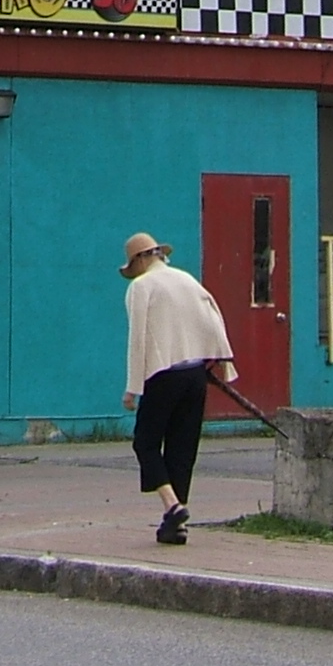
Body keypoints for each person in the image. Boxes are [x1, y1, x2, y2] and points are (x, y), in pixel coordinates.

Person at [120, 231, 236, 545]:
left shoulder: (142, 287)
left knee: (145, 442)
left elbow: (138, 340)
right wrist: (220, 359)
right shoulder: (186, 280)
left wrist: (132, 388)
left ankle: (172, 505)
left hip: (163, 374)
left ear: (140, 260)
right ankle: (176, 524)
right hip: (195, 374)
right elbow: (213, 317)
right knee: (182, 446)